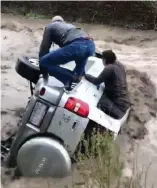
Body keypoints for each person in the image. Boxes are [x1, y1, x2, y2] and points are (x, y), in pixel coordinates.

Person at [39, 15, 95, 91]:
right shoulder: (70, 26)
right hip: (90, 45)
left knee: (44, 61)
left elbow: (44, 49)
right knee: (79, 74)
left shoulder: (50, 27)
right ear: (62, 21)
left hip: (78, 45)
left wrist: (42, 69)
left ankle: (70, 78)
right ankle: (70, 82)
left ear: (53, 22)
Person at [85, 50, 131, 119]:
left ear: (105, 60)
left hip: (118, 105)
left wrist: (85, 75)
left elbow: (97, 81)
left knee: (99, 102)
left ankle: (117, 113)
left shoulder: (109, 68)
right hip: (125, 100)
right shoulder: (120, 65)